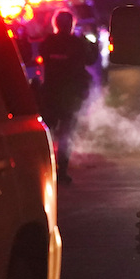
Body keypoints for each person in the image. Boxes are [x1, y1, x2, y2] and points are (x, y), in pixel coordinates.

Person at [39, 10, 98, 183]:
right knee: (66, 134)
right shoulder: (77, 43)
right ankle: (62, 171)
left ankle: (45, 168)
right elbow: (91, 59)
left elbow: (41, 56)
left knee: (47, 134)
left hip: (50, 94)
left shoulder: (48, 42)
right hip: (70, 96)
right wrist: (91, 43)